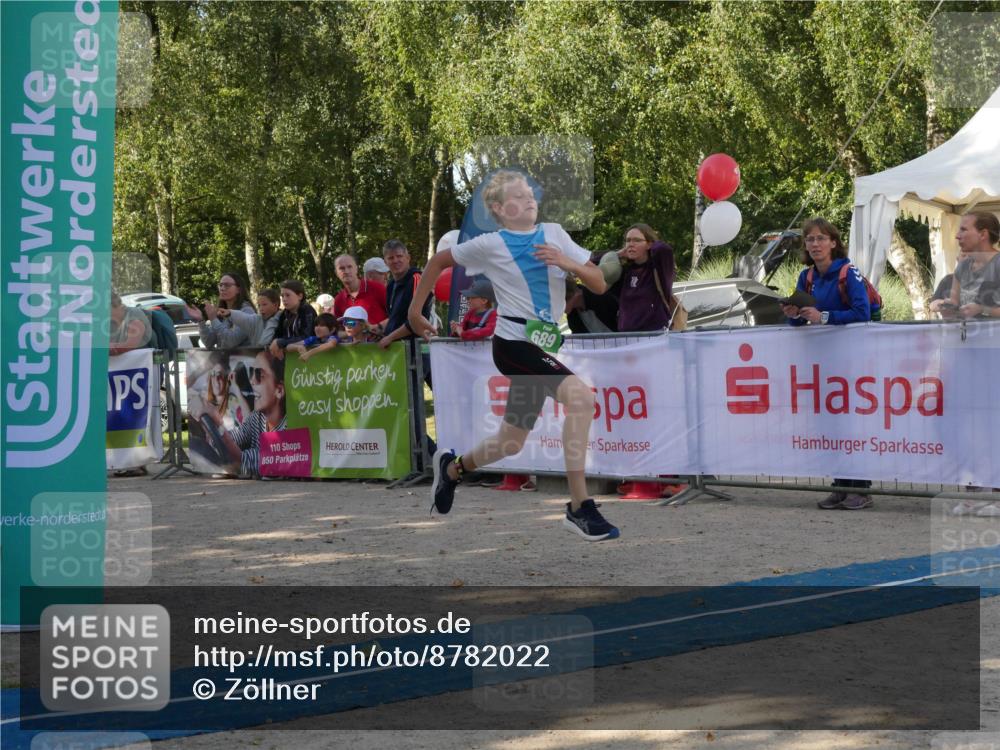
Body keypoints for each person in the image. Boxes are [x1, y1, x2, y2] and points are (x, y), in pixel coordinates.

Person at [408, 169, 618, 541]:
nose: (530, 200)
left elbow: (599, 281)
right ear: (499, 209)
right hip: (513, 344)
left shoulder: (554, 233)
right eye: (519, 196)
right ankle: (578, 506)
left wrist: (567, 263)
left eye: (531, 194)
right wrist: (414, 312)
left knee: (510, 441)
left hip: (542, 344)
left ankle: (453, 468)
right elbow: (439, 262)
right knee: (582, 400)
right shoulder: (490, 243)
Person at [780, 217, 873, 510]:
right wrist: (794, 313)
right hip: (822, 362)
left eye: (821, 238)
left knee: (852, 423)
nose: (815, 244)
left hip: (853, 360)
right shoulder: (806, 277)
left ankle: (861, 488)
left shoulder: (848, 271)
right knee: (830, 423)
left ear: (833, 242)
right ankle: (840, 485)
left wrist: (825, 318)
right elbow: (795, 323)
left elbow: (863, 313)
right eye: (810, 240)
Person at [190, 349, 286, 478]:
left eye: (258, 375)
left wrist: (217, 422)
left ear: (279, 391)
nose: (252, 380)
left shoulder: (287, 430)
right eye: (251, 372)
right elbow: (236, 438)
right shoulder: (257, 418)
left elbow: (244, 461)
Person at [601, 224, 677, 332]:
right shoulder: (625, 270)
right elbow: (596, 265)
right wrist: (617, 254)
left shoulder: (659, 268)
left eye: (636, 240)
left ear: (649, 244)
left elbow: (665, 249)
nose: (631, 244)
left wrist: (651, 242)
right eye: (628, 240)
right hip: (627, 337)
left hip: (654, 336)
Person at [930, 211, 1000, 321]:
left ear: (983, 234)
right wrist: (945, 306)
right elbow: (954, 303)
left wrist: (982, 309)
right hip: (968, 336)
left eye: (963, 230)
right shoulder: (963, 266)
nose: (957, 236)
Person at [379, 240, 433, 349]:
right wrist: (379, 330)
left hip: (417, 351)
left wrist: (390, 338)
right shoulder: (390, 285)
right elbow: (395, 318)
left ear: (408, 258)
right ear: (385, 262)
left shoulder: (416, 279)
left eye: (399, 256)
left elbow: (416, 320)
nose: (395, 261)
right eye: (391, 258)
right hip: (397, 352)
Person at [186, 272, 258, 349]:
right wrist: (201, 321)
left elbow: (231, 341)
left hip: (245, 360)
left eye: (227, 285)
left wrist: (213, 319)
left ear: (238, 289)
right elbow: (208, 342)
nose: (222, 288)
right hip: (223, 360)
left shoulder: (247, 311)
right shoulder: (220, 312)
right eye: (220, 285)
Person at [332, 254, 389, 334]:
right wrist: (355, 330)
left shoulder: (378, 289)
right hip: (358, 346)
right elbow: (342, 328)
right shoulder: (339, 300)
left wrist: (377, 327)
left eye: (349, 267)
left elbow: (396, 316)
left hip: (385, 344)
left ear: (356, 269)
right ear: (336, 273)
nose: (346, 271)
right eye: (341, 268)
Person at [269, 280, 316, 359]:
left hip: (309, 357)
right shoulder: (284, 314)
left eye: (288, 295)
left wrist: (281, 342)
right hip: (290, 359)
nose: (284, 299)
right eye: (282, 296)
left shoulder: (307, 310)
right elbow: (277, 335)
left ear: (300, 296)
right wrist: (276, 343)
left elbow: (307, 336)